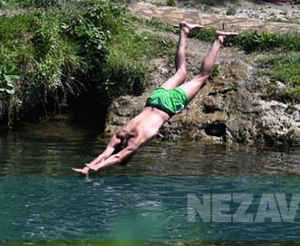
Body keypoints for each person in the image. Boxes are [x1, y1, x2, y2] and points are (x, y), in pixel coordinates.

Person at [73, 23, 237, 176]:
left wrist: (96, 168)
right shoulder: (120, 134)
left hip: (167, 106)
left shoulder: (136, 141)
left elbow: (116, 158)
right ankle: (184, 30)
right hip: (154, 99)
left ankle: (219, 39)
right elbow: (106, 153)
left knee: (202, 77)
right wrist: (89, 166)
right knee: (180, 73)